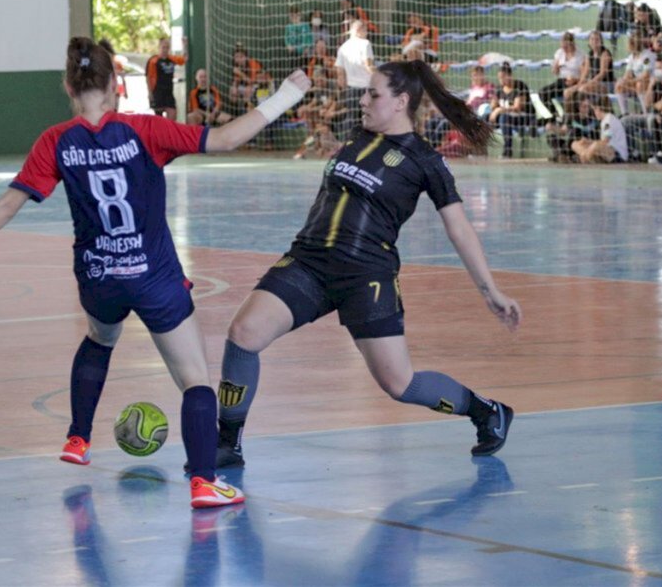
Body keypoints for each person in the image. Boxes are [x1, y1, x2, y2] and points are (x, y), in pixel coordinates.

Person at [0, 37, 312, 508]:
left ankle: (77, 439)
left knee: (101, 338)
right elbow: (224, 138)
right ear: (116, 85)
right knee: (195, 380)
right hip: (154, 277)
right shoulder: (144, 130)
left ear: (67, 86)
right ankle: (204, 482)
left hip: (98, 277)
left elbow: (8, 204)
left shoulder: (55, 141)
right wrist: (286, 95)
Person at [207, 59, 522, 470]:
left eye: (373, 94)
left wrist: (490, 290)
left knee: (398, 383)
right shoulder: (358, 137)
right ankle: (228, 444)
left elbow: (459, 229)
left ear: (400, 102)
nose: (364, 100)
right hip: (309, 261)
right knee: (244, 331)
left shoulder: (426, 161)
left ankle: (486, 412)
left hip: (366, 276)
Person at [336, 20, 376, 132]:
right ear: (359, 30)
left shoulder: (343, 47)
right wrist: (380, 77)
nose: (367, 32)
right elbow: (368, 65)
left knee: (352, 119)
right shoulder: (365, 43)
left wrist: (343, 89)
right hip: (366, 88)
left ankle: (348, 145)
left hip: (351, 90)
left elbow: (340, 73)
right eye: (366, 29)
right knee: (370, 118)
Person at [488, 62, 533, 158]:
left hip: (523, 118)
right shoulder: (500, 89)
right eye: (499, 78)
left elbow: (517, 107)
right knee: (484, 117)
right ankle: (480, 150)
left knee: (504, 118)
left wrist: (499, 110)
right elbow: (493, 105)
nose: (501, 80)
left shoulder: (520, 86)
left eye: (503, 77)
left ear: (510, 75)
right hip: (507, 116)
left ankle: (508, 151)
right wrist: (493, 102)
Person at [570, 98, 629, 162]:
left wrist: (591, 143)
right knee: (575, 144)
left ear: (598, 109)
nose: (594, 113)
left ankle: (584, 157)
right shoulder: (604, 121)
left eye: (594, 110)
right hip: (607, 152)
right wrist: (588, 141)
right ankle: (585, 156)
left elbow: (605, 141)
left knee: (595, 145)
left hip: (617, 155)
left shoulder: (608, 120)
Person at [146, 36, 188, 120]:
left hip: (168, 92)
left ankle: (169, 132)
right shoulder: (154, 60)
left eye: (167, 47)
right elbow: (148, 78)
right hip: (158, 92)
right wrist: (150, 93)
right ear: (159, 47)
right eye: (163, 47)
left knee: (172, 115)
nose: (165, 49)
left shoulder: (171, 58)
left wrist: (185, 45)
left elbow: (184, 59)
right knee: (159, 119)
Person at [284, 5, 314, 70]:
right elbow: (286, 39)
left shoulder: (305, 25)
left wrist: (307, 48)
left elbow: (310, 38)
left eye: (296, 15)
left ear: (299, 15)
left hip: (304, 54)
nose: (294, 17)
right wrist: (288, 46)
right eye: (292, 16)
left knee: (304, 71)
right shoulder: (288, 27)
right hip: (293, 54)